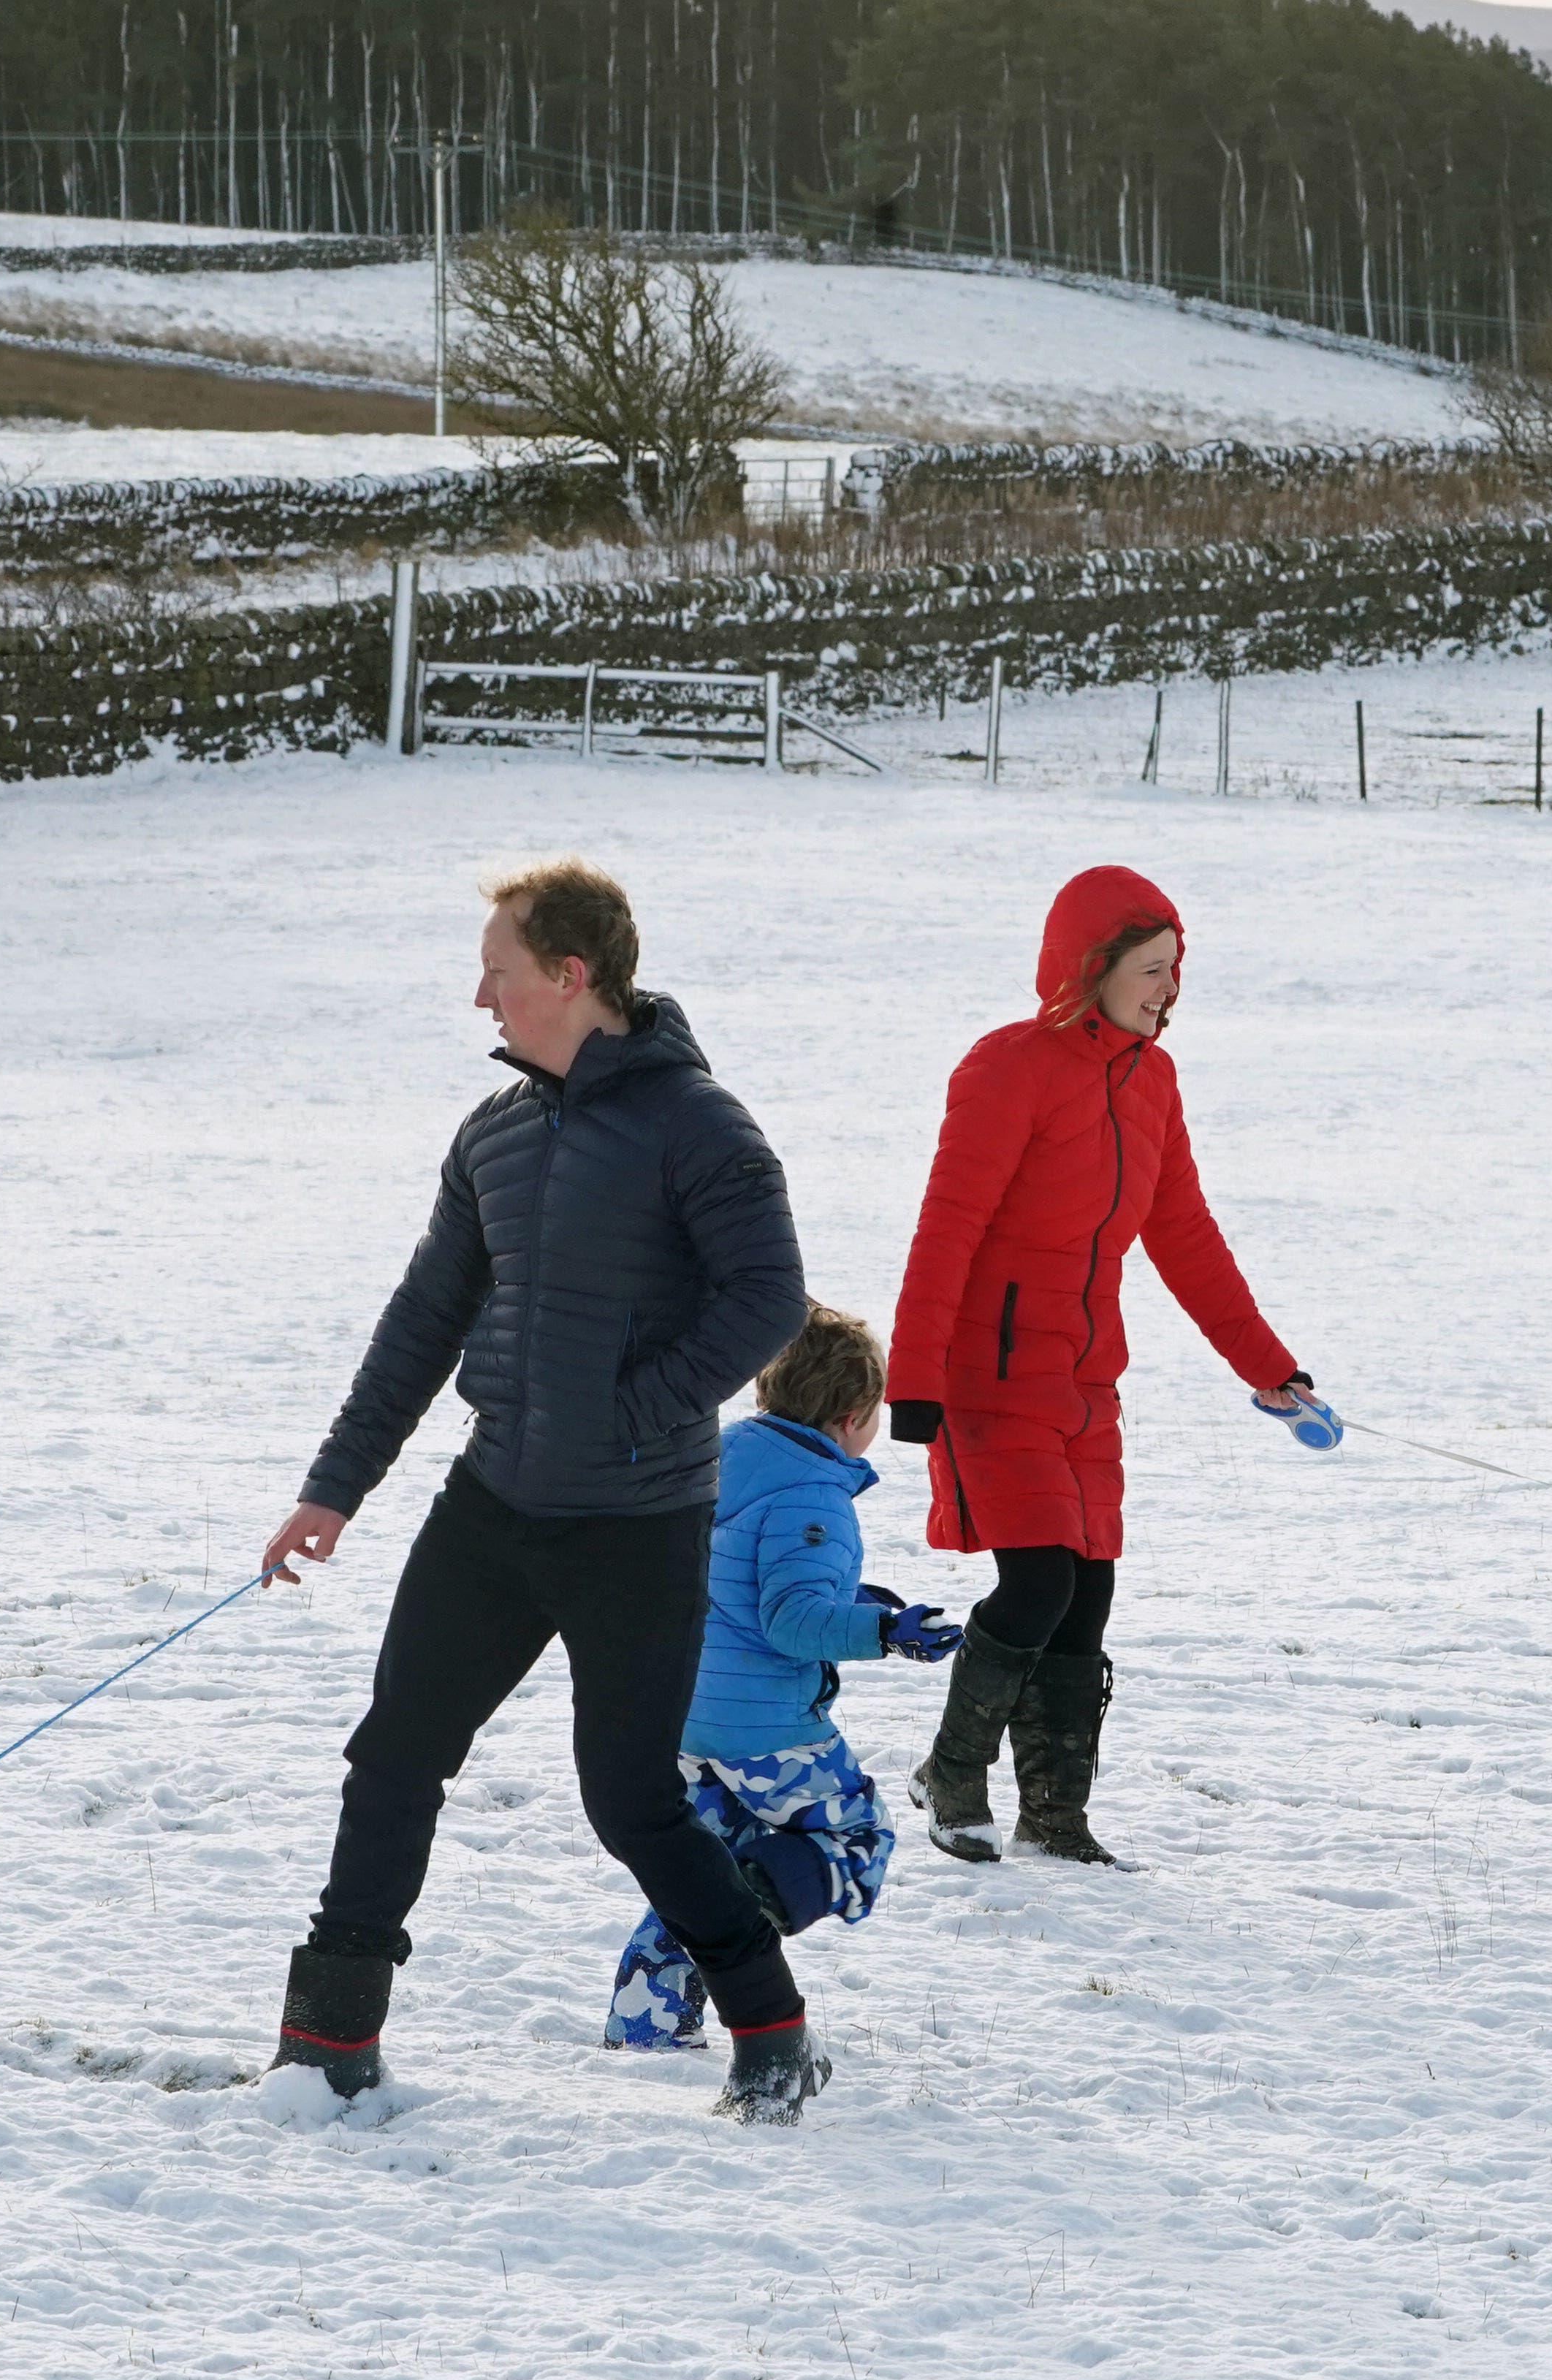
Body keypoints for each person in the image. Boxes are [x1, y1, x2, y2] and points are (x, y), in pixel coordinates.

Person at [261, 859, 832, 2123]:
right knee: (395, 1757)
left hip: (638, 1523)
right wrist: (335, 1488)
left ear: (573, 978)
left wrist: (632, 1413)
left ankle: (773, 2026)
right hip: (495, 1506)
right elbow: (424, 1319)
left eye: (501, 973)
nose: (483, 997)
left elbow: (768, 1300)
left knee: (629, 1800)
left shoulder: (703, 1127)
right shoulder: (498, 1134)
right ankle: (326, 2043)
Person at [888, 864, 1328, 1868]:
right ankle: (954, 1772)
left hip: (1086, 1382)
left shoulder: (1152, 1081)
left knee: (1089, 1592)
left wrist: (1268, 1368)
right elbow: (947, 1228)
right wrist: (912, 1376)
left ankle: (1056, 1815)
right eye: (1150, 967)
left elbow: (1187, 1237)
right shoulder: (1007, 1069)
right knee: (1037, 1578)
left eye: (1177, 968)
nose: (1169, 987)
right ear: (1091, 969)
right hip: (989, 1374)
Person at [603, 1302, 959, 2049]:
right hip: (764, 1727)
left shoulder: (716, 1455)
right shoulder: (814, 1497)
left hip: (685, 1713)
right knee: (857, 1839)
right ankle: (741, 1920)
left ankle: (647, 2025)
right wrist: (885, 1633)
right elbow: (791, 1620)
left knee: (701, 1863)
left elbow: (736, 1584)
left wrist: (859, 1604)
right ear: (853, 1417)